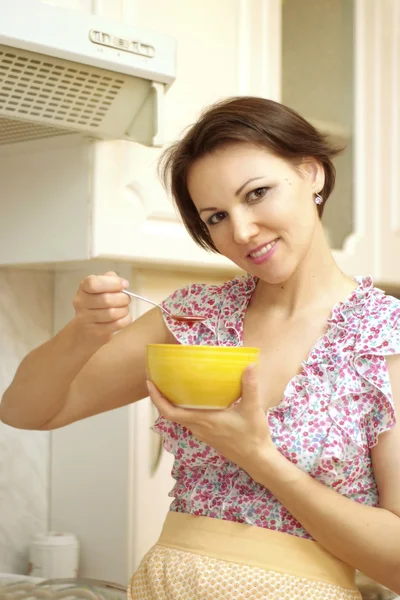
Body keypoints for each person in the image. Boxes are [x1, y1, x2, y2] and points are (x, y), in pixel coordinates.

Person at [1, 97, 400, 600]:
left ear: (312, 173)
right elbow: (26, 411)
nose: (241, 231)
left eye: (257, 193)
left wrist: (259, 457)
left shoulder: (384, 337)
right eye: (215, 217)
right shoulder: (195, 318)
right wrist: (83, 332)